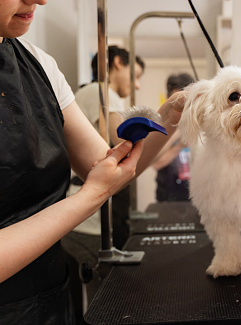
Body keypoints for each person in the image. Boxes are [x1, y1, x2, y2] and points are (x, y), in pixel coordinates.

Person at [0, 0, 183, 323]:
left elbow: (109, 167)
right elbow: (97, 186)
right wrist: (88, 198)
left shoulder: (40, 64)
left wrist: (172, 116)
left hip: (51, 299)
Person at [61, 46, 146, 322]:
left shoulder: (90, 94)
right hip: (87, 222)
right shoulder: (101, 91)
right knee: (103, 306)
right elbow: (124, 142)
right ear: (118, 63)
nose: (137, 84)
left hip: (85, 216)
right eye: (135, 75)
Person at [153, 73, 195, 202]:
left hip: (194, 194)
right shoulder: (161, 125)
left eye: (183, 101)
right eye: (175, 101)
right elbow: (156, 164)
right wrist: (178, 145)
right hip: (167, 195)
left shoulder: (199, 124)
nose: (179, 106)